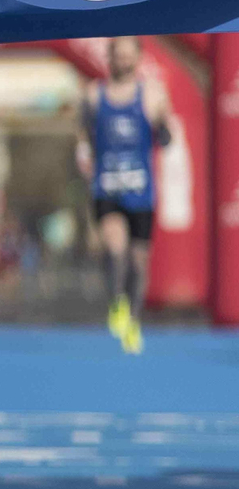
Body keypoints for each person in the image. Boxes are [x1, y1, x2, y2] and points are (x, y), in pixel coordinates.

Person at [75, 35, 180, 355]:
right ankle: (116, 303)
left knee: (138, 258)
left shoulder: (151, 94)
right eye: (117, 56)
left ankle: (133, 319)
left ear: (137, 58)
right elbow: (83, 135)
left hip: (140, 190)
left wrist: (163, 122)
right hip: (107, 185)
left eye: (127, 56)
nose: (122, 61)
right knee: (114, 244)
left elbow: (166, 140)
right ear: (110, 58)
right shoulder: (94, 96)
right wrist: (84, 157)